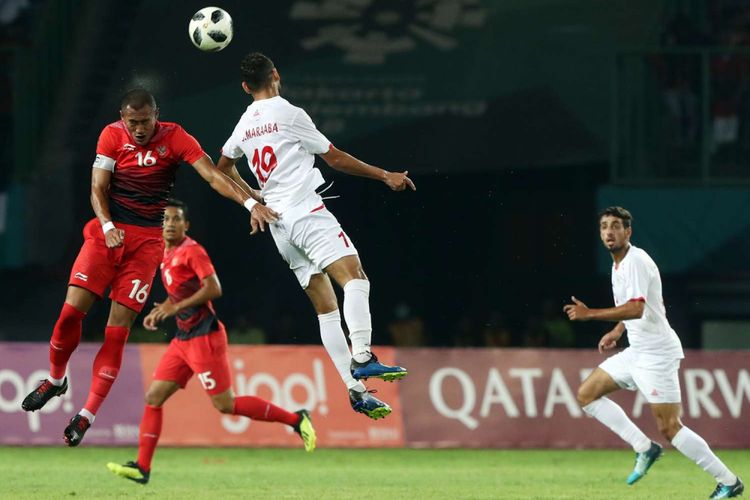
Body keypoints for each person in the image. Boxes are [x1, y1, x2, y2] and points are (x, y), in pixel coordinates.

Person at [20, 89, 276, 447]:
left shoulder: (175, 137)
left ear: (157, 115)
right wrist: (108, 227)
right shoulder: (111, 135)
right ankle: (56, 379)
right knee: (68, 316)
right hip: (105, 236)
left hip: (145, 246)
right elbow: (97, 188)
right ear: (122, 117)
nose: (139, 129)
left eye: (145, 121)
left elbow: (212, 176)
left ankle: (86, 415)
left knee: (116, 331)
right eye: (132, 122)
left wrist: (249, 201)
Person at [216, 52, 416, 419]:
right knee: (355, 278)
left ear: (245, 86)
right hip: (305, 212)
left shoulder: (245, 124)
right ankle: (362, 356)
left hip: (279, 225)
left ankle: (356, 392)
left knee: (326, 310)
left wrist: (253, 199)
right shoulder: (290, 113)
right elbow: (335, 158)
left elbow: (224, 167)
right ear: (276, 74)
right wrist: (385, 175)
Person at [107, 200, 315, 484]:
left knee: (225, 405)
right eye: (165, 219)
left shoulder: (192, 251)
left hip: (205, 337)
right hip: (183, 339)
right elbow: (181, 289)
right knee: (153, 397)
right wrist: (162, 309)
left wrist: (174, 308)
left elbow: (213, 288)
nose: (169, 224)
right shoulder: (165, 253)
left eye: (176, 219)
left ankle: (296, 419)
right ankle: (142, 467)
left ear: (186, 225)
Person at [564, 206, 744, 499]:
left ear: (628, 232)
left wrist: (590, 315)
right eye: (604, 226)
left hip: (657, 354)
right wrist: (617, 331)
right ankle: (644, 447)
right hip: (637, 350)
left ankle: (728, 481)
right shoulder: (618, 264)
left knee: (671, 427)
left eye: (616, 226)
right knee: (587, 394)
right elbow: (635, 307)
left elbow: (636, 308)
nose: (609, 231)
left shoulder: (635, 261)